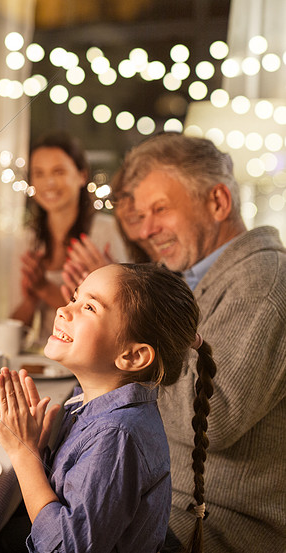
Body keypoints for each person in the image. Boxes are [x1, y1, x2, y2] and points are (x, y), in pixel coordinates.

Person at [121, 132, 286, 552]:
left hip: (213, 528)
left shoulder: (262, 281)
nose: (147, 228)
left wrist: (121, 351)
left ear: (217, 202)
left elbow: (211, 417)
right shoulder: (199, 279)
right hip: (166, 502)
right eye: (142, 213)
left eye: (160, 209)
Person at [0, 263, 216, 552]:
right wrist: (39, 450)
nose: (63, 309)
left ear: (133, 356)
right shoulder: (88, 405)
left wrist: (23, 455)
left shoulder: (117, 435)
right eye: (75, 298)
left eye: (90, 308)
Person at [10, 131, 127, 346]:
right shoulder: (29, 240)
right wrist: (32, 297)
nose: (49, 183)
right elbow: (13, 326)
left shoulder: (106, 233)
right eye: (39, 173)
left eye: (59, 171)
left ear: (82, 176)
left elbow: (123, 319)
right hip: (45, 357)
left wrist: (46, 289)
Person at [60, 165, 156, 296]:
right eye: (121, 198)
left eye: (135, 196)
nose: (127, 207)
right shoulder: (137, 259)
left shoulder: (174, 263)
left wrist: (114, 284)